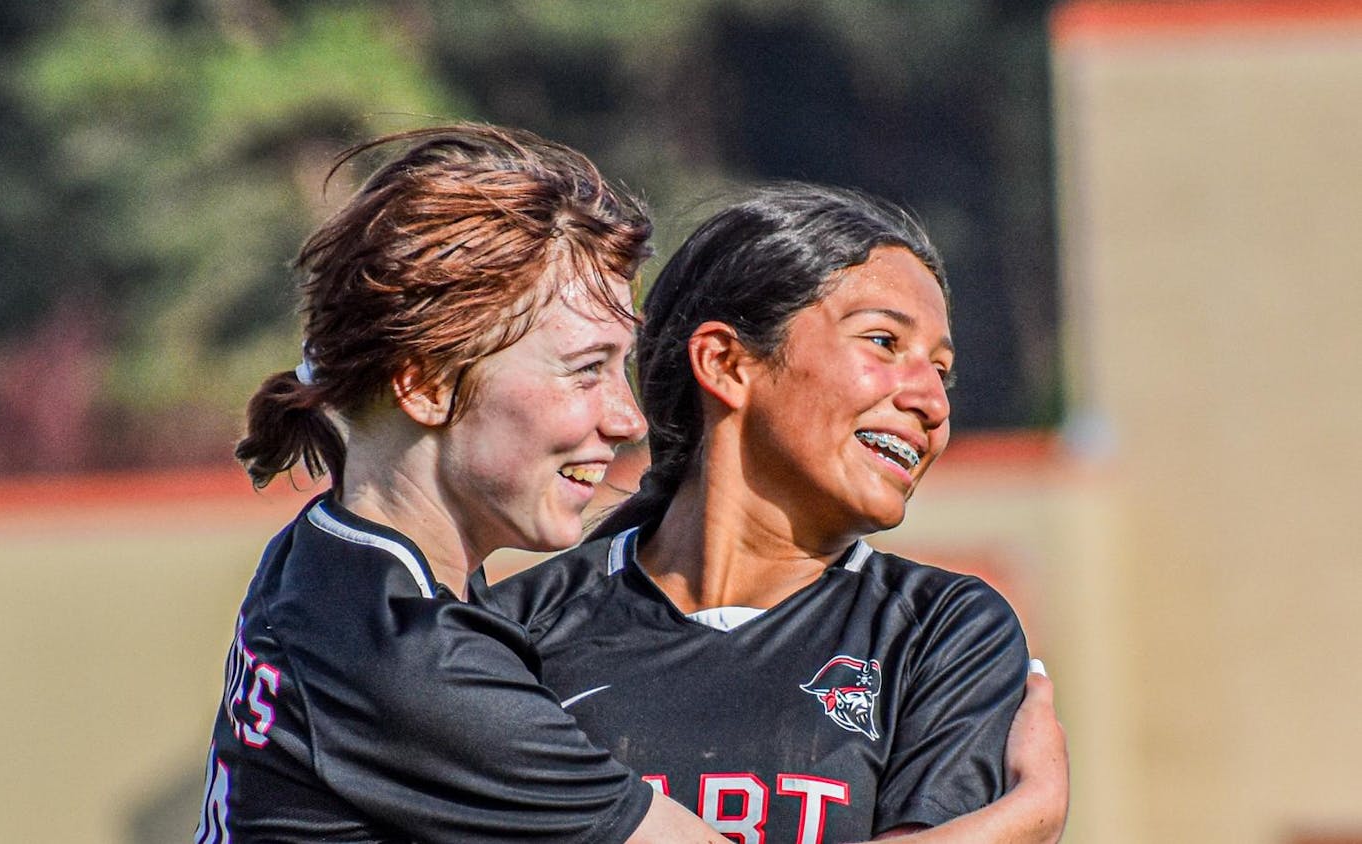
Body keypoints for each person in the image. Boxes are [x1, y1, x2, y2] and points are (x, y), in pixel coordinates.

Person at [196, 123, 730, 843]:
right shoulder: (413, 663)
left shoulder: (329, 561)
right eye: (586, 369)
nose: (628, 419)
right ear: (425, 384)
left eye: (622, 368)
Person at [487, 184, 1070, 842]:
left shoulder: (942, 633)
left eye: (943, 371)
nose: (933, 402)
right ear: (727, 362)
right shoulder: (508, 638)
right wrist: (1013, 824)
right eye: (883, 342)